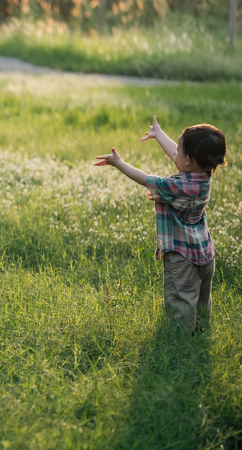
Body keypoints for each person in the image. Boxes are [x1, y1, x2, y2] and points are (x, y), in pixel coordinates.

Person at [94, 116, 227, 333]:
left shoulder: (177, 186)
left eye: (180, 149)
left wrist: (118, 163)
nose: (176, 152)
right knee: (202, 299)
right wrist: (159, 134)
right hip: (204, 252)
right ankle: (201, 333)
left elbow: (146, 179)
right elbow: (180, 157)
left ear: (189, 160)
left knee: (181, 301)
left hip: (182, 257)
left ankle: (180, 341)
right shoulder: (204, 175)